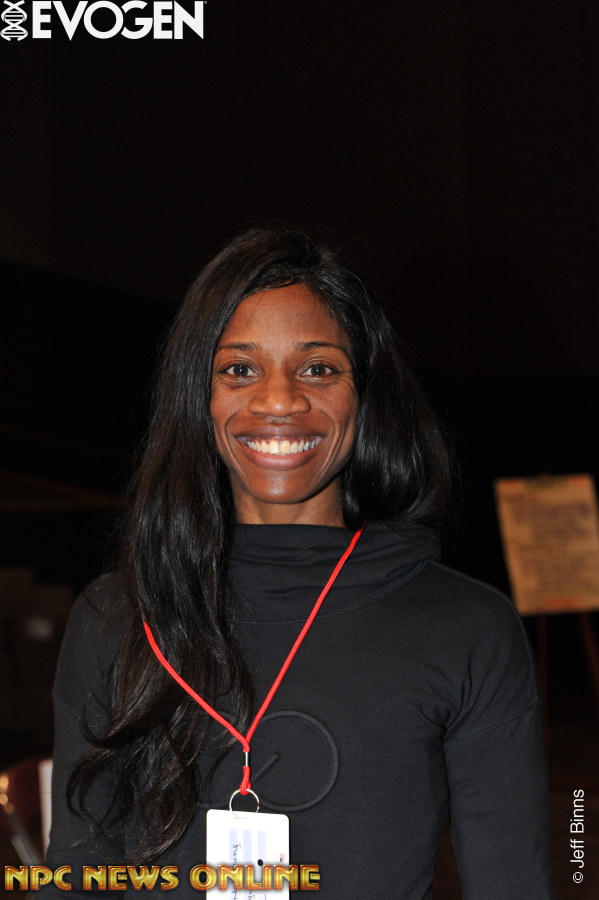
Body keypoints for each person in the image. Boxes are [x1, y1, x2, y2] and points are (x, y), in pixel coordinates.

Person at [44, 225, 555, 898]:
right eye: (239, 369)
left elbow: (514, 880)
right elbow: (76, 876)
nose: (279, 400)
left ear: (364, 394)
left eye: (318, 368)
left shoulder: (467, 628)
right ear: (199, 397)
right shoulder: (117, 616)